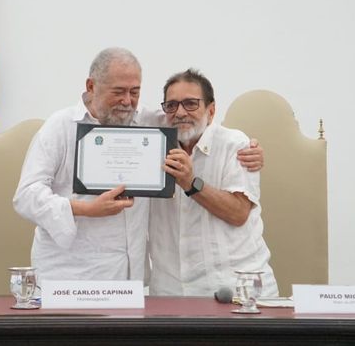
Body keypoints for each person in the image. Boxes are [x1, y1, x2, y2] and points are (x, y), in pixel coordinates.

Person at [13, 47, 263, 283]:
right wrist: (85, 208)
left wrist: (247, 148)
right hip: (69, 273)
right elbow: (25, 196)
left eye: (135, 92)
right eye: (118, 91)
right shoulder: (60, 126)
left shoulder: (147, 123)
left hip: (128, 278)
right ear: (91, 86)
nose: (127, 101)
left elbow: (189, 121)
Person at [147, 68, 278, 297]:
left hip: (236, 289)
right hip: (171, 293)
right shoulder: (150, 144)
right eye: (172, 105)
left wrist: (190, 183)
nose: (180, 112)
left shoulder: (236, 145)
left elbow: (239, 213)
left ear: (211, 110)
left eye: (190, 103)